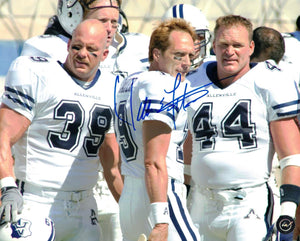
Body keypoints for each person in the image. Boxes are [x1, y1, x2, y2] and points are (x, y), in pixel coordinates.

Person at [20, 1, 148, 240]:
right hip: (47, 187)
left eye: (114, 21)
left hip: (100, 186)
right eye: (102, 20)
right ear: (74, 16)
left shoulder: (133, 51)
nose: (110, 29)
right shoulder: (45, 53)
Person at [0, 19, 123, 241]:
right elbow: (3, 136)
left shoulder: (113, 88)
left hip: (84, 208)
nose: (82, 54)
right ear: (67, 45)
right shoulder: (38, 73)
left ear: (105, 55)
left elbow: (112, 165)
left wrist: (129, 207)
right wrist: (6, 186)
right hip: (34, 204)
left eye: (91, 49)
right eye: (77, 46)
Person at [185, 15, 300, 241]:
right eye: (224, 45)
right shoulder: (192, 82)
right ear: (213, 47)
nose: (230, 51)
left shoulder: (268, 81)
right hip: (199, 203)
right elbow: (188, 153)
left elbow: (291, 157)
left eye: (237, 45)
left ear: (251, 47)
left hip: (249, 204)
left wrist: (288, 211)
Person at [114, 18, 200, 241]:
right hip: (159, 193)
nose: (186, 63)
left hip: (131, 196)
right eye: (178, 55)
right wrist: (161, 220)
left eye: (190, 55)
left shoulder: (131, 80)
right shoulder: (161, 85)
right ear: (156, 54)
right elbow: (153, 161)